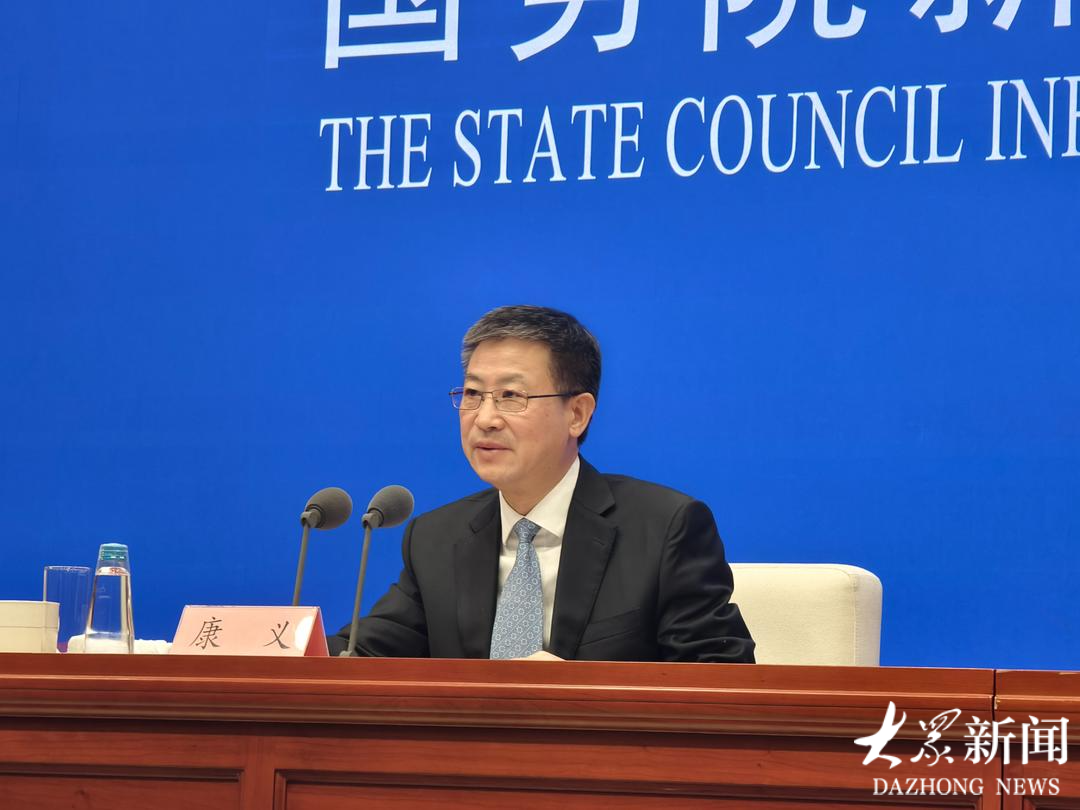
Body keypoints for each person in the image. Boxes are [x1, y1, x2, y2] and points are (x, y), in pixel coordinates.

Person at [329, 305, 754, 662]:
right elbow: (362, 655)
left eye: (511, 396)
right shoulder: (436, 538)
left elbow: (719, 681)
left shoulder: (664, 530)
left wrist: (579, 697)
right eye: (473, 394)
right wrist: (294, 648)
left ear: (577, 414)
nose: (484, 418)